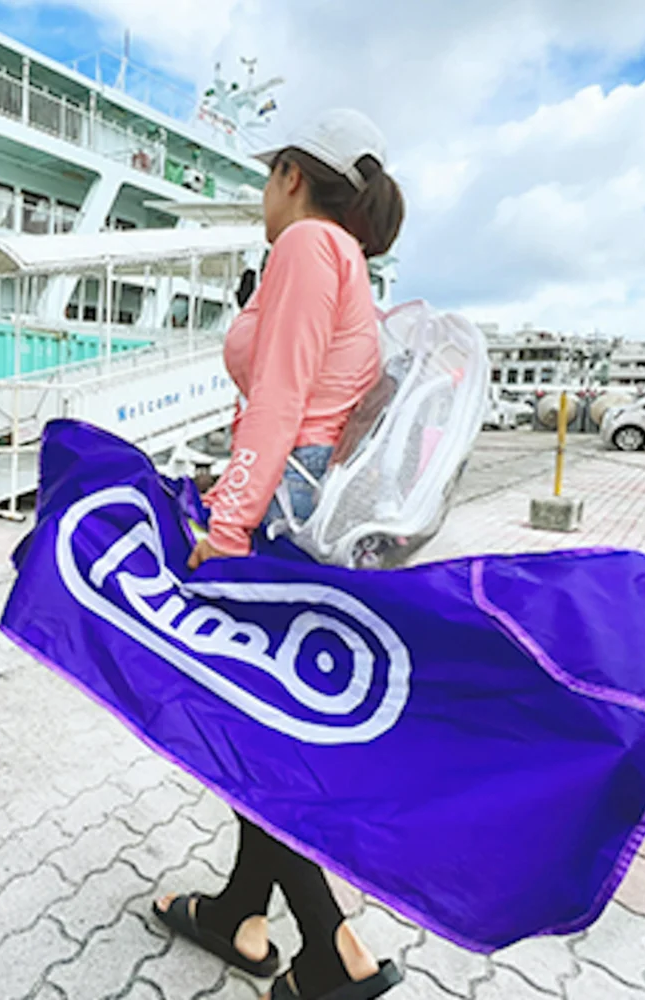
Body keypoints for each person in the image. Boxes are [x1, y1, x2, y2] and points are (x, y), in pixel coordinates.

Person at [152, 109, 407, 1000]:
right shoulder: (353, 266)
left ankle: (333, 948)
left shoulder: (306, 247)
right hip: (312, 516)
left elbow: (279, 399)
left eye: (267, 176)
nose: (263, 194)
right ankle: (238, 914)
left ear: (293, 175)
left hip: (275, 519)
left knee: (242, 727)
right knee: (261, 719)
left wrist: (223, 531)